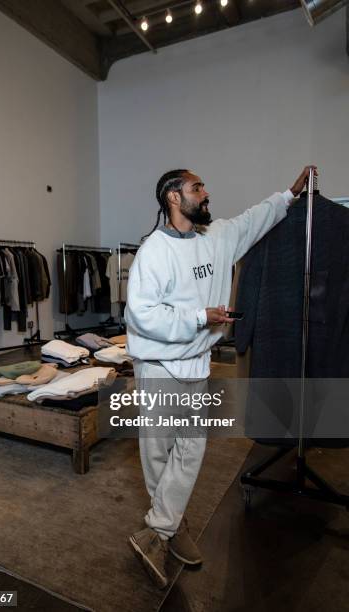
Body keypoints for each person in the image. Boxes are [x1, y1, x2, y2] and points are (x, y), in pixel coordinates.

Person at [125, 166, 317, 588]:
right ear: (174, 198)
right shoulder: (153, 251)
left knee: (191, 451)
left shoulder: (215, 238)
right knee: (158, 454)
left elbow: (253, 219)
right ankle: (173, 527)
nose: (206, 193)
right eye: (197, 188)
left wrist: (288, 195)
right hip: (158, 365)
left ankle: (160, 527)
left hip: (196, 362)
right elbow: (141, 315)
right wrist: (200, 316)